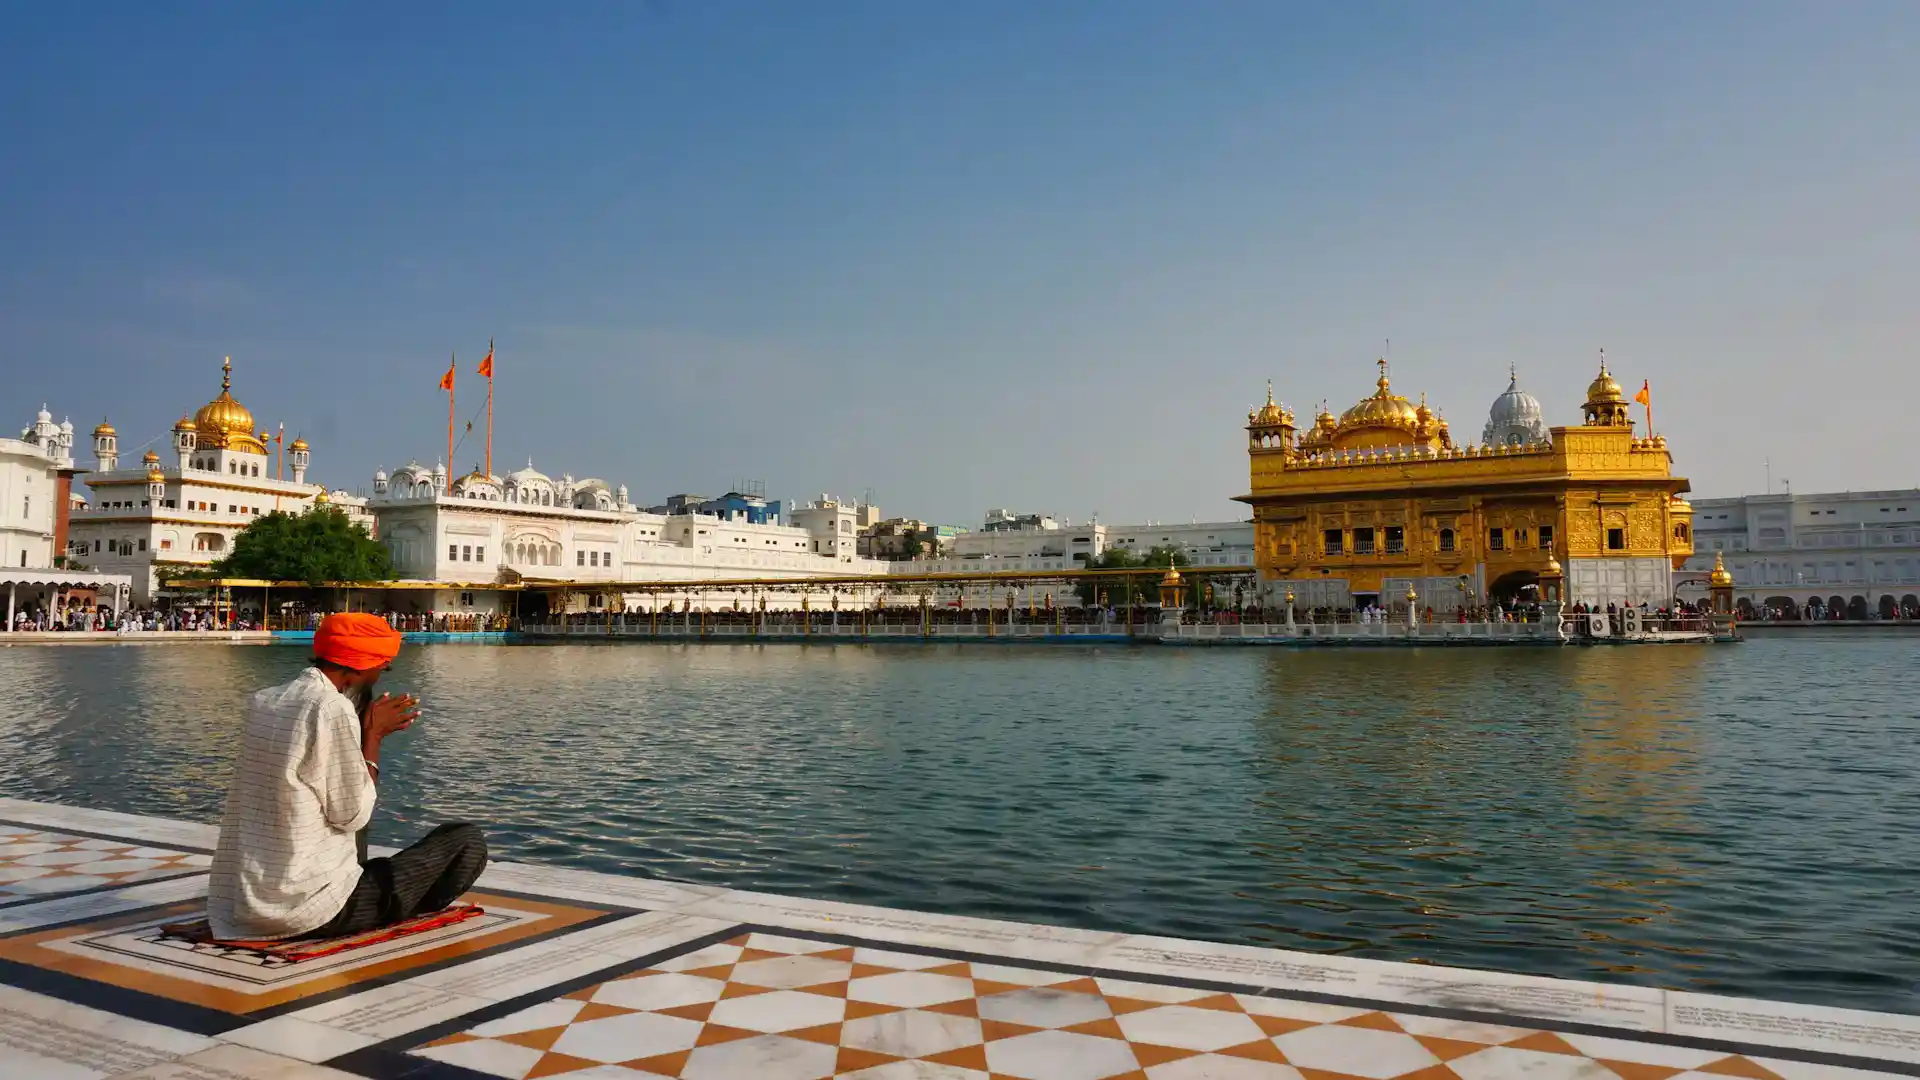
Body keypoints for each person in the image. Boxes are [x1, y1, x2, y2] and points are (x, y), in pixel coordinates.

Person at [208, 613, 487, 941]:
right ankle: (387, 915)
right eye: (382, 666)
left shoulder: (265, 700)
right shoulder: (331, 708)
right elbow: (352, 815)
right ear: (360, 663)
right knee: (466, 842)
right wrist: (373, 735)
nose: (380, 675)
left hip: (246, 905)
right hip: (310, 910)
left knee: (364, 860)